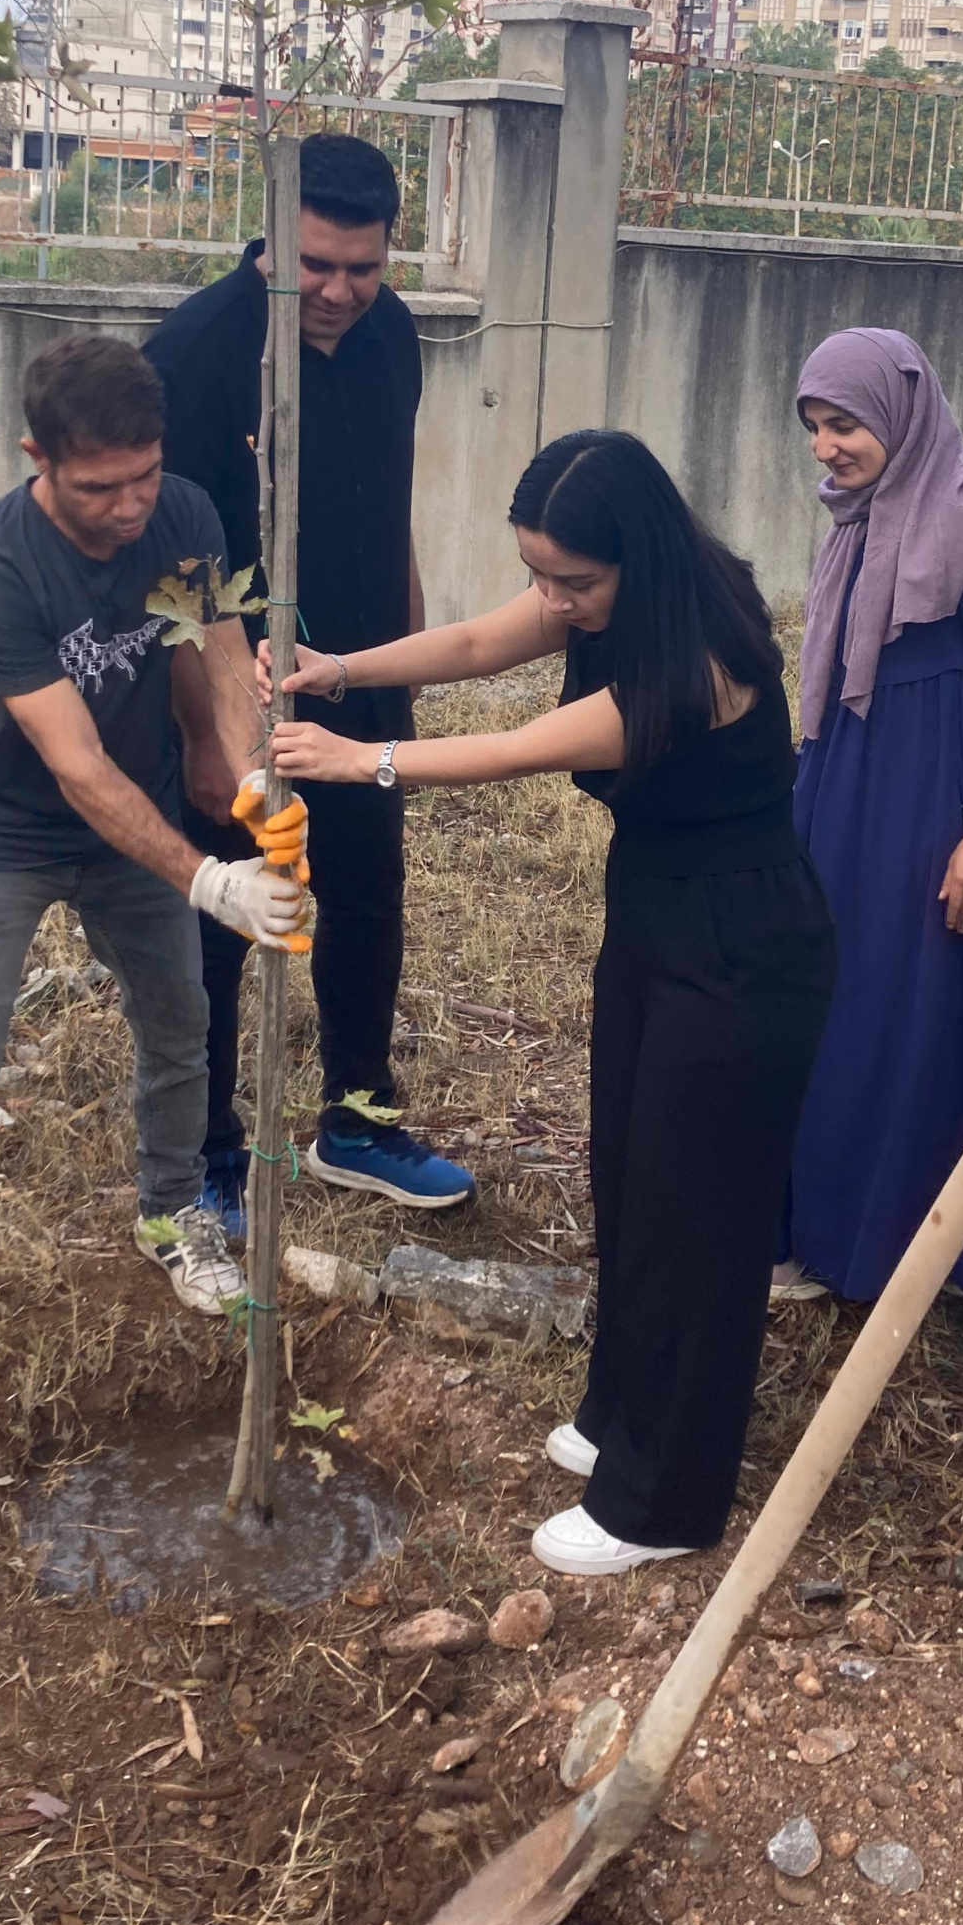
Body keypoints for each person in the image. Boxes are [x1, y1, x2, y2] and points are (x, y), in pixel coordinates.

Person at [267, 428, 837, 1576]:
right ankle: (624, 1408)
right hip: (659, 914)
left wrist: (360, 759)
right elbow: (482, 642)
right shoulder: (613, 595)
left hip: (743, 943)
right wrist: (341, 671)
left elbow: (522, 746)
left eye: (572, 581)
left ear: (637, 554)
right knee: (631, 1177)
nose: (553, 601)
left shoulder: (701, 656)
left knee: (696, 1215)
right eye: (539, 573)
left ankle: (664, 1502)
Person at [0, 334, 310, 1448]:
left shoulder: (184, 513)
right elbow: (75, 765)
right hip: (4, 827)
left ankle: (172, 1212)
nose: (131, 506)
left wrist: (249, 782)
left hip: (133, 808)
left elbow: (217, 657)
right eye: (100, 487)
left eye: (145, 474)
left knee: (180, 1019)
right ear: (37, 457)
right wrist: (208, 880)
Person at [144, 133, 474, 1224]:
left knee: (369, 892)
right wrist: (216, 730)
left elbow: (391, 489)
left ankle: (358, 1122)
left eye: (362, 268)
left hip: (359, 672)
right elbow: (177, 572)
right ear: (271, 241)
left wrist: (407, 629)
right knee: (224, 918)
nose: (338, 292)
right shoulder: (196, 354)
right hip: (233, 681)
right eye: (315, 266)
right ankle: (205, 1153)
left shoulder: (394, 334)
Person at [774, 328, 963, 1305]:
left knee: (921, 1017)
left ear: (901, 414)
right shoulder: (853, 523)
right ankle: (830, 1227)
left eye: (844, 423)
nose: (826, 447)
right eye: (813, 426)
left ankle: (941, 1240)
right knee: (838, 1003)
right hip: (845, 792)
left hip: (937, 810)